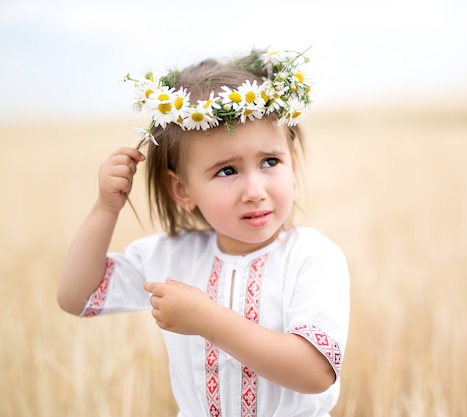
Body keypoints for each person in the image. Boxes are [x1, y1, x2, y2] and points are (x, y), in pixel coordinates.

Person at [57, 49, 350, 417]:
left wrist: (210, 321)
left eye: (270, 161)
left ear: (292, 161)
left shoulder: (313, 257)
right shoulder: (170, 256)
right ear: (182, 190)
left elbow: (316, 372)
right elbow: (76, 296)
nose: (255, 189)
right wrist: (106, 209)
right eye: (227, 171)